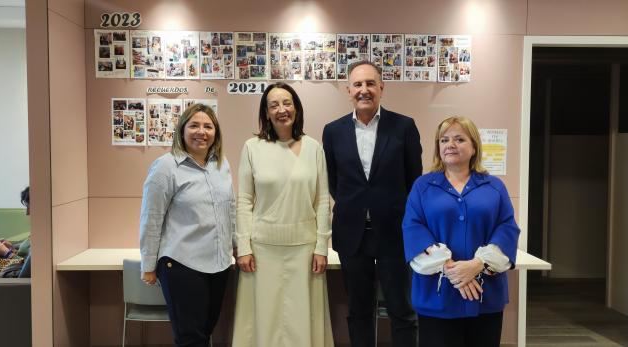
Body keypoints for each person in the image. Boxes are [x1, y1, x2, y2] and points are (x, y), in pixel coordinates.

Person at [322, 61, 422, 347]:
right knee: (359, 310)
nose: (363, 90)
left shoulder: (404, 126)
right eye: (357, 84)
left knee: (401, 309)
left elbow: (414, 179)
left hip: (394, 232)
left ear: (381, 87)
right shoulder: (333, 131)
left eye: (370, 84)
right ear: (348, 90)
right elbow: (333, 180)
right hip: (353, 233)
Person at [402, 116, 520, 347]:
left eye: (459, 139)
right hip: (437, 298)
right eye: (444, 139)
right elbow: (412, 228)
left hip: (485, 296)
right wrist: (453, 270)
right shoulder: (422, 186)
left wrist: (477, 265)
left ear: (474, 146)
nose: (450, 144)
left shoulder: (494, 186)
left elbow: (507, 228)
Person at [232, 82, 333, 347]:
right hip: (262, 249)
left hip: (305, 249)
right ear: (266, 113)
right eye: (273, 105)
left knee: (302, 318)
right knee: (264, 319)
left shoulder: (314, 148)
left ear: (297, 109)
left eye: (287, 103)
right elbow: (243, 201)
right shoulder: (252, 147)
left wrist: (322, 246)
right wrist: (243, 246)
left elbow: (322, 201)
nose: (281, 110)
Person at [139, 103, 234, 347]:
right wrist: (148, 265)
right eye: (194, 125)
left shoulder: (221, 165)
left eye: (208, 126)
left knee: (204, 333)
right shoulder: (166, 166)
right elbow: (151, 218)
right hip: (182, 264)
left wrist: (238, 247)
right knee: (190, 338)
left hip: (219, 264)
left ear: (216, 133)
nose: (201, 131)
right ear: (182, 130)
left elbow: (230, 211)